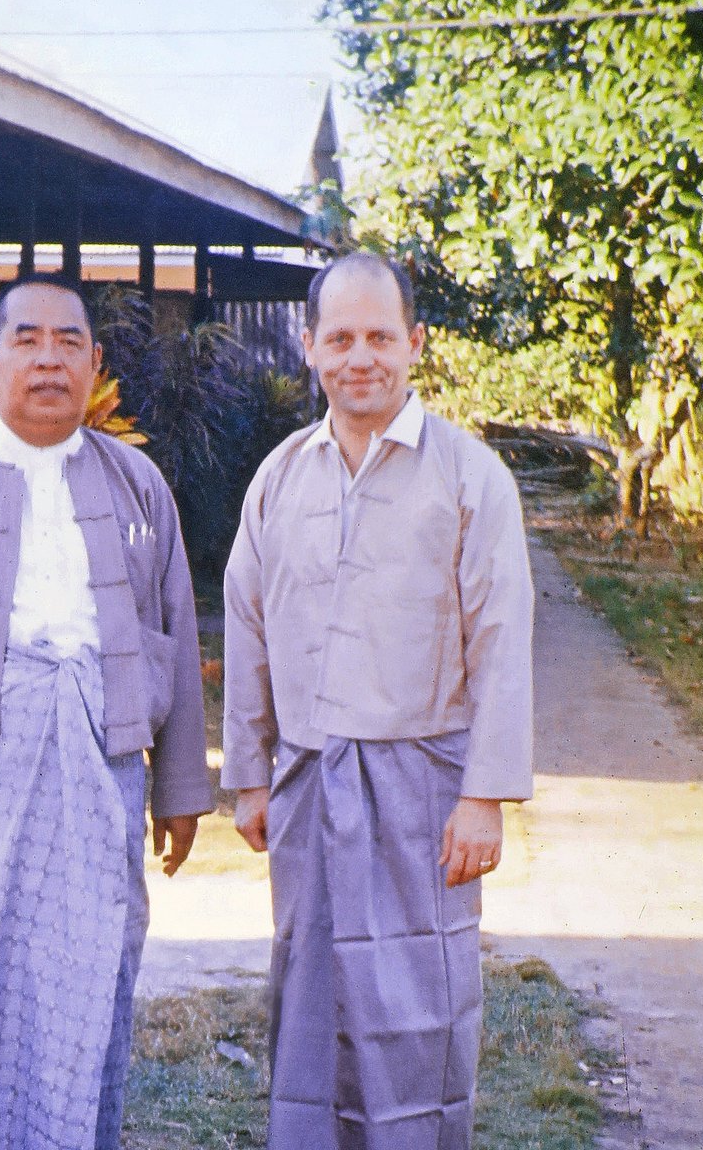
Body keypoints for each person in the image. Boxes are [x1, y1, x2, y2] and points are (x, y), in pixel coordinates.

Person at [0, 275, 211, 1150]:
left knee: (90, 973)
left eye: (69, 342)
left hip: (101, 767)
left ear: (95, 362)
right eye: (28, 340)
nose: (49, 359)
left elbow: (173, 628)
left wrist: (177, 790)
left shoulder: (139, 487)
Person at [222, 251, 534, 1149]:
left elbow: (502, 639)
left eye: (381, 337)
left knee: (419, 1011)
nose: (362, 357)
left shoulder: (470, 476)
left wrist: (484, 796)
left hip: (425, 786)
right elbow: (247, 629)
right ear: (310, 348)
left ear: (416, 344)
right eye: (342, 339)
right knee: (311, 998)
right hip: (311, 782)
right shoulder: (280, 478)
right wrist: (251, 777)